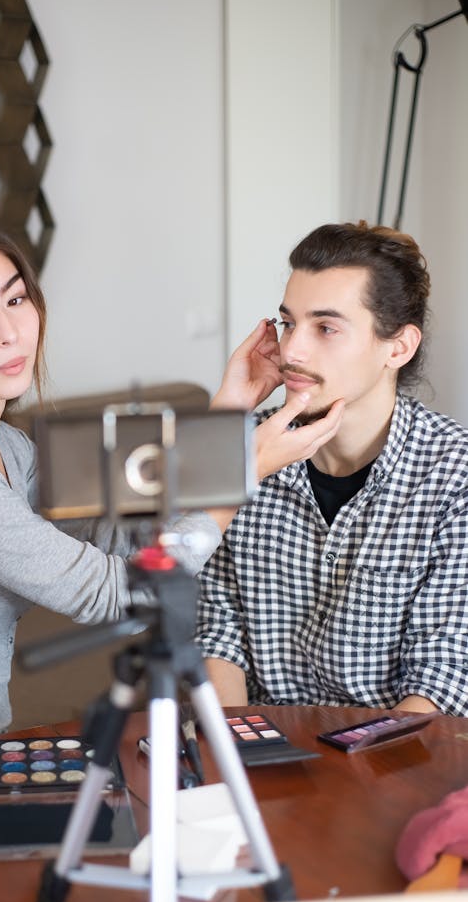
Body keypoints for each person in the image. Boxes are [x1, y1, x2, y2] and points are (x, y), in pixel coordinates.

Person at [0, 213, 342, 801]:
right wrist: (242, 472)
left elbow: (117, 539)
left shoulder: (8, 449)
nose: (8, 333)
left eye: (15, 300)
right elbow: (117, 592)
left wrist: (229, 410)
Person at [198, 220, 468, 717]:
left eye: (325, 328)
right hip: (263, 743)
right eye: (288, 323)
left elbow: (443, 676)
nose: (292, 351)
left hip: (394, 752)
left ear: (398, 347)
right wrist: (234, 748)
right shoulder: (245, 449)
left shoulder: (455, 476)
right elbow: (216, 633)